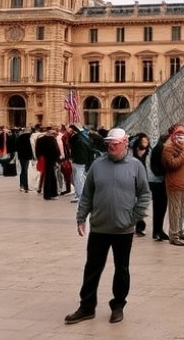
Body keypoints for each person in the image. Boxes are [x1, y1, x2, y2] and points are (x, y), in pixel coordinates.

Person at [65, 128, 151, 325]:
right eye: (109, 143)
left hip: (124, 229)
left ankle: (118, 305)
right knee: (92, 268)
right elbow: (87, 194)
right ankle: (87, 307)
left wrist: (134, 218)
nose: (111, 146)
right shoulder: (97, 165)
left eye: (115, 143)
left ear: (125, 143)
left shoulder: (136, 166)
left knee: (122, 269)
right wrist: (81, 218)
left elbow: (144, 194)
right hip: (99, 228)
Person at [162, 124, 184, 246]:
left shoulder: (182, 147)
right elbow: (171, 164)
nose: (183, 138)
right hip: (175, 184)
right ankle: (174, 235)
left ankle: (179, 231)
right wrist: (183, 154)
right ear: (174, 136)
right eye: (180, 136)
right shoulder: (169, 148)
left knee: (181, 210)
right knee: (175, 210)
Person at [148, 134, 169, 241]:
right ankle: (157, 231)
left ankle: (158, 230)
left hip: (157, 181)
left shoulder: (158, 148)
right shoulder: (160, 149)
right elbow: (156, 166)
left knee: (160, 207)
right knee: (159, 207)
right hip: (158, 182)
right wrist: (163, 174)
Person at [68, 125, 95, 205]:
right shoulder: (82, 138)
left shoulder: (77, 139)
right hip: (81, 160)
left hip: (79, 160)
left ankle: (80, 195)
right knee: (79, 177)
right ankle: (80, 194)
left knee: (78, 178)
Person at [15, 126, 36, 193]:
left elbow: (16, 147)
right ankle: (26, 187)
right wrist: (33, 156)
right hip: (27, 156)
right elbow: (32, 147)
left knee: (23, 170)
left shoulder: (20, 137)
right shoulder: (30, 137)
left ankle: (21, 185)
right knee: (25, 170)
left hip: (21, 156)